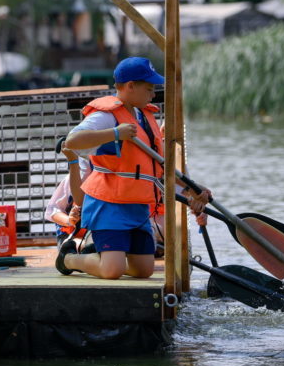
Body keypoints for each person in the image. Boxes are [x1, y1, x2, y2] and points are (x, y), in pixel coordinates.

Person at [58, 57, 208, 280]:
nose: (153, 94)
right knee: (112, 271)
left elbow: (159, 165)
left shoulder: (144, 115)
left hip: (136, 204)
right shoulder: (105, 116)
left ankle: (104, 256)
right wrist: (115, 133)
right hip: (108, 204)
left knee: (143, 270)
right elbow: (72, 141)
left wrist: (193, 188)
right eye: (149, 88)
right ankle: (69, 259)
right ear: (130, 86)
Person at [44, 143, 91, 248]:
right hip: (71, 237)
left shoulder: (108, 179)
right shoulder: (70, 180)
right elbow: (53, 211)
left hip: (99, 236)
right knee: (84, 247)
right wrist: (69, 220)